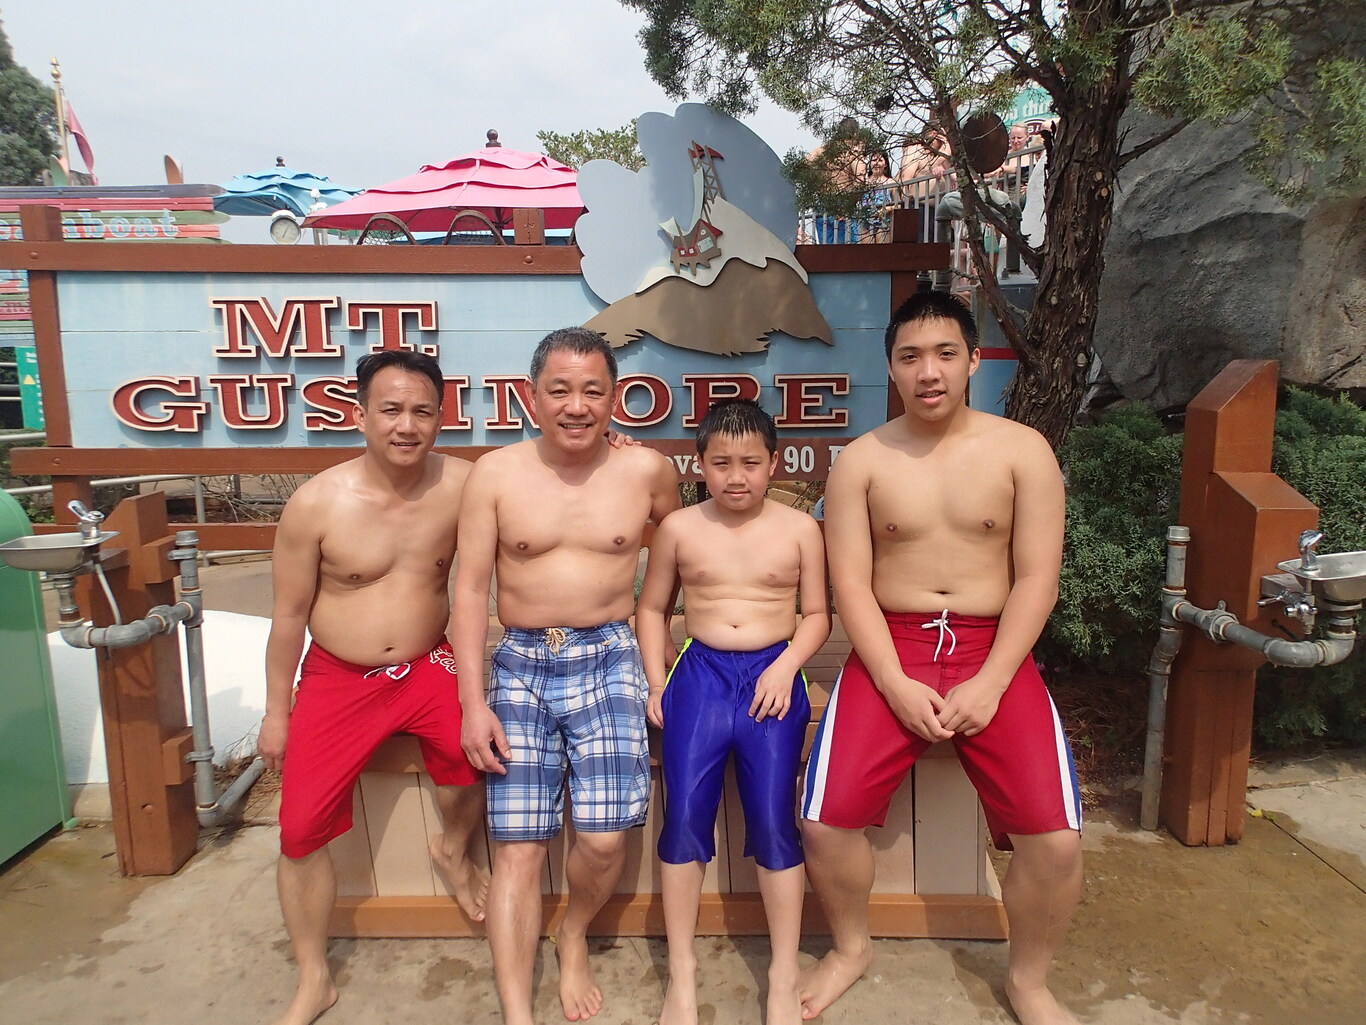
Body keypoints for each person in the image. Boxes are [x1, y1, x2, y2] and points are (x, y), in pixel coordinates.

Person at [799, 291, 1081, 1025]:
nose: (929, 371)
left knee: (1055, 842)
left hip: (994, 649)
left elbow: (1038, 580)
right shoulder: (862, 461)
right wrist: (893, 681)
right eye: (911, 357)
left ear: (973, 360)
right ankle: (851, 947)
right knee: (824, 822)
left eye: (945, 353)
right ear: (891, 368)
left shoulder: (1023, 451)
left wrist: (992, 681)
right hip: (893, 646)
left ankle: (1029, 980)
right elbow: (850, 584)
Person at [450, 326, 681, 1025]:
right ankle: (517, 1012)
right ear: (531, 397)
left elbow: (692, 550)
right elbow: (469, 589)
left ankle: (573, 932)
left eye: (591, 391)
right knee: (518, 849)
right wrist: (471, 702)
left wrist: (682, 653)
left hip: (610, 655)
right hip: (521, 662)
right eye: (559, 390)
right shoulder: (495, 474)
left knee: (604, 838)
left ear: (615, 398)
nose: (575, 406)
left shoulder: (646, 471)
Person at [258, 349, 488, 1025]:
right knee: (299, 828)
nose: (406, 425)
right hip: (339, 675)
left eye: (421, 411)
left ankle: (452, 847)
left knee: (476, 757)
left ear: (441, 418)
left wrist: (615, 446)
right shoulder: (316, 503)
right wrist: (276, 710)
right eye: (390, 410)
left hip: (430, 662)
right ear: (360, 416)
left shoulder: (465, 484)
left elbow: (546, 481)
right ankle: (314, 975)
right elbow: (288, 615)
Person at [637, 399, 830, 1025]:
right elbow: (651, 609)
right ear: (700, 465)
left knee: (774, 819)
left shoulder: (799, 530)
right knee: (683, 817)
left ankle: (783, 971)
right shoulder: (680, 528)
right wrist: (657, 680)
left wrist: (786, 665)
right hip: (700, 675)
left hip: (773, 675)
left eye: (750, 462)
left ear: (774, 463)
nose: (736, 476)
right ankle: (682, 974)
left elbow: (818, 615)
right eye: (721, 463)